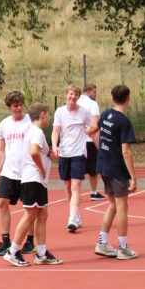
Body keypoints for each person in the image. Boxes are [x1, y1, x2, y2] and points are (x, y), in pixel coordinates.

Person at [4, 104, 62, 266]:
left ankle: (41, 253)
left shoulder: (33, 131)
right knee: (30, 215)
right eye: (48, 115)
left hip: (38, 180)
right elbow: (34, 151)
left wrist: (51, 154)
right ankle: (13, 251)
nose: (49, 118)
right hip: (33, 178)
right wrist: (41, 169)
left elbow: (40, 151)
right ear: (42, 114)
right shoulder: (36, 131)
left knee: (42, 214)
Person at [94, 84, 139, 260]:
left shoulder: (106, 113)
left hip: (104, 166)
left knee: (113, 205)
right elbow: (126, 152)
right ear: (128, 99)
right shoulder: (124, 121)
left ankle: (102, 242)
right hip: (116, 168)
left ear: (112, 98)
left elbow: (96, 128)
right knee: (122, 208)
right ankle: (123, 248)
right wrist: (133, 177)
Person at [0, 91, 35, 256]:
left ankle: (29, 241)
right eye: (15, 105)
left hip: (27, 171)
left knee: (29, 207)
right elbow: (1, 150)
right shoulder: (4, 124)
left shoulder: (30, 122)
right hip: (9, 171)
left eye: (21, 105)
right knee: (2, 202)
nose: (18, 108)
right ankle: (5, 241)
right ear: (10, 106)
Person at [51, 85, 96, 232]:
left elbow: (93, 129)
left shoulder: (84, 112)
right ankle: (75, 214)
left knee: (76, 185)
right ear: (66, 95)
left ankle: (71, 218)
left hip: (79, 153)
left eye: (76, 94)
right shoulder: (60, 112)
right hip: (64, 153)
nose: (73, 97)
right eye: (71, 94)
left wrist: (100, 148)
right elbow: (55, 131)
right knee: (68, 185)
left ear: (79, 96)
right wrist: (54, 145)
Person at [77, 83, 104, 200]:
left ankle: (76, 194)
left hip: (77, 141)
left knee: (78, 168)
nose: (95, 94)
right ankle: (93, 192)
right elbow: (95, 124)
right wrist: (98, 144)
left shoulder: (75, 103)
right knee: (93, 169)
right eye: (94, 92)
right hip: (89, 139)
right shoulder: (92, 104)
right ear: (88, 92)